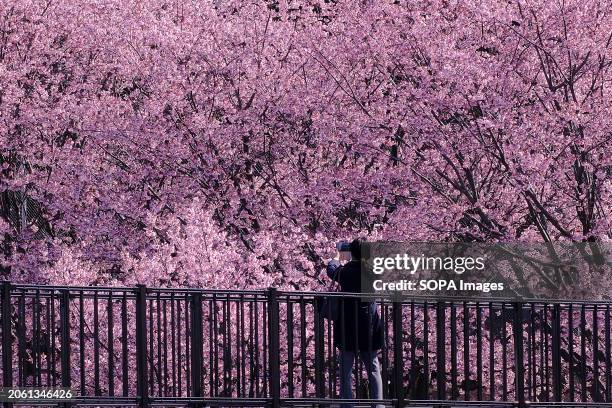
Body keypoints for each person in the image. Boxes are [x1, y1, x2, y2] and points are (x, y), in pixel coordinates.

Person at [326, 238, 384, 408]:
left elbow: (331, 269)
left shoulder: (345, 272)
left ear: (351, 253)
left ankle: (347, 405)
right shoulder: (373, 271)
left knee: (345, 369)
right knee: (373, 368)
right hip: (369, 326)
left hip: (347, 325)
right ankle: (378, 404)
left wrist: (338, 254)